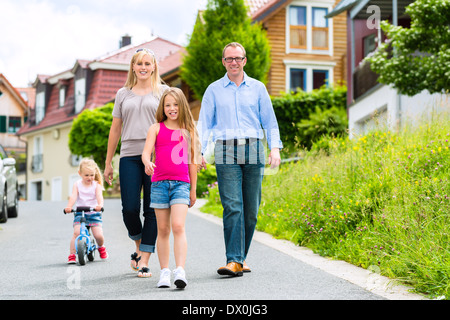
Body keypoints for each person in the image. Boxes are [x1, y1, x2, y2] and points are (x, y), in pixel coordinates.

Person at [198, 42, 283, 277]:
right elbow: (204, 123)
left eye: (238, 58)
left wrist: (274, 148)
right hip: (225, 150)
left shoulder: (258, 88)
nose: (233, 62)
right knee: (232, 205)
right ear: (223, 62)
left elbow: (270, 121)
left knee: (251, 209)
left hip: (254, 148)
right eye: (229, 59)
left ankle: (241, 257)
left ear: (244, 60)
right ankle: (234, 260)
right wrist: (198, 151)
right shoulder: (214, 90)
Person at [104, 48, 169, 278]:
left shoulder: (164, 92)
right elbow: (115, 128)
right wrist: (108, 162)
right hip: (129, 155)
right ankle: (139, 242)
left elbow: (174, 123)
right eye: (139, 63)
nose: (143, 67)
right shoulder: (123, 94)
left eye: (147, 64)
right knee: (129, 208)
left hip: (156, 156)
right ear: (133, 67)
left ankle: (144, 258)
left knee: (152, 209)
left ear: (154, 67)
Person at [142, 87, 201, 288]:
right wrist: (147, 163)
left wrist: (193, 190)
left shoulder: (189, 130)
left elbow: (193, 161)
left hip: (182, 185)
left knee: (178, 226)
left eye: (175, 104)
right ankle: (165, 272)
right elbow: (146, 153)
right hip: (158, 184)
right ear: (163, 107)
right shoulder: (155, 128)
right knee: (163, 229)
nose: (171, 108)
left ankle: (180, 271)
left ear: (182, 106)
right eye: (167, 105)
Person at [65, 158, 108, 264]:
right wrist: (69, 206)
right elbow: (73, 196)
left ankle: (101, 247)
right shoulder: (77, 184)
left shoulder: (96, 185)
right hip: (80, 212)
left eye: (92, 175)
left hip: (94, 213)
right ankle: (72, 254)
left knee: (98, 235)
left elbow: (99, 197)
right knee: (76, 233)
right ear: (80, 173)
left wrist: (99, 205)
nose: (89, 178)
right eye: (86, 175)